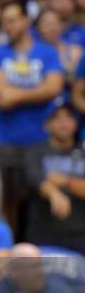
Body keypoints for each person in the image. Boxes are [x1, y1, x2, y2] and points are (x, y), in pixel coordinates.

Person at [0, 1, 64, 234]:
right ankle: (9, 250)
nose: (7, 26)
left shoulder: (46, 51)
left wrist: (17, 95)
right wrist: (36, 92)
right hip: (5, 142)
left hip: (40, 140)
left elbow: (54, 88)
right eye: (4, 22)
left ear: (26, 21)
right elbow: (0, 95)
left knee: (39, 201)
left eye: (12, 20)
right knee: (7, 203)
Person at [25, 99, 85, 255]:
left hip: (80, 235)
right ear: (46, 125)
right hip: (44, 235)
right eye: (56, 117)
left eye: (68, 117)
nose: (63, 122)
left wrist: (66, 181)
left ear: (76, 123)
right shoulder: (35, 152)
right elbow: (34, 179)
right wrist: (53, 193)